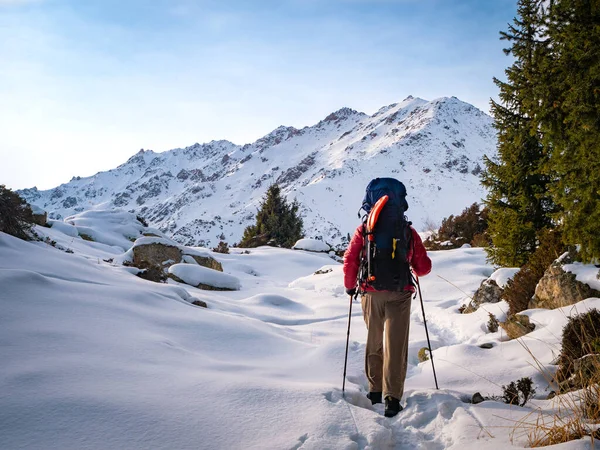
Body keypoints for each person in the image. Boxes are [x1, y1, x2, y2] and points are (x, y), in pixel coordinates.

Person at [343, 184, 432, 418]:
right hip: (401, 293)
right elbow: (423, 269)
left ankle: (374, 392)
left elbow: (351, 259)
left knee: (375, 341)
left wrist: (350, 287)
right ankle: (392, 399)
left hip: (371, 292)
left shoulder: (365, 229)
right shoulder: (406, 230)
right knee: (396, 345)